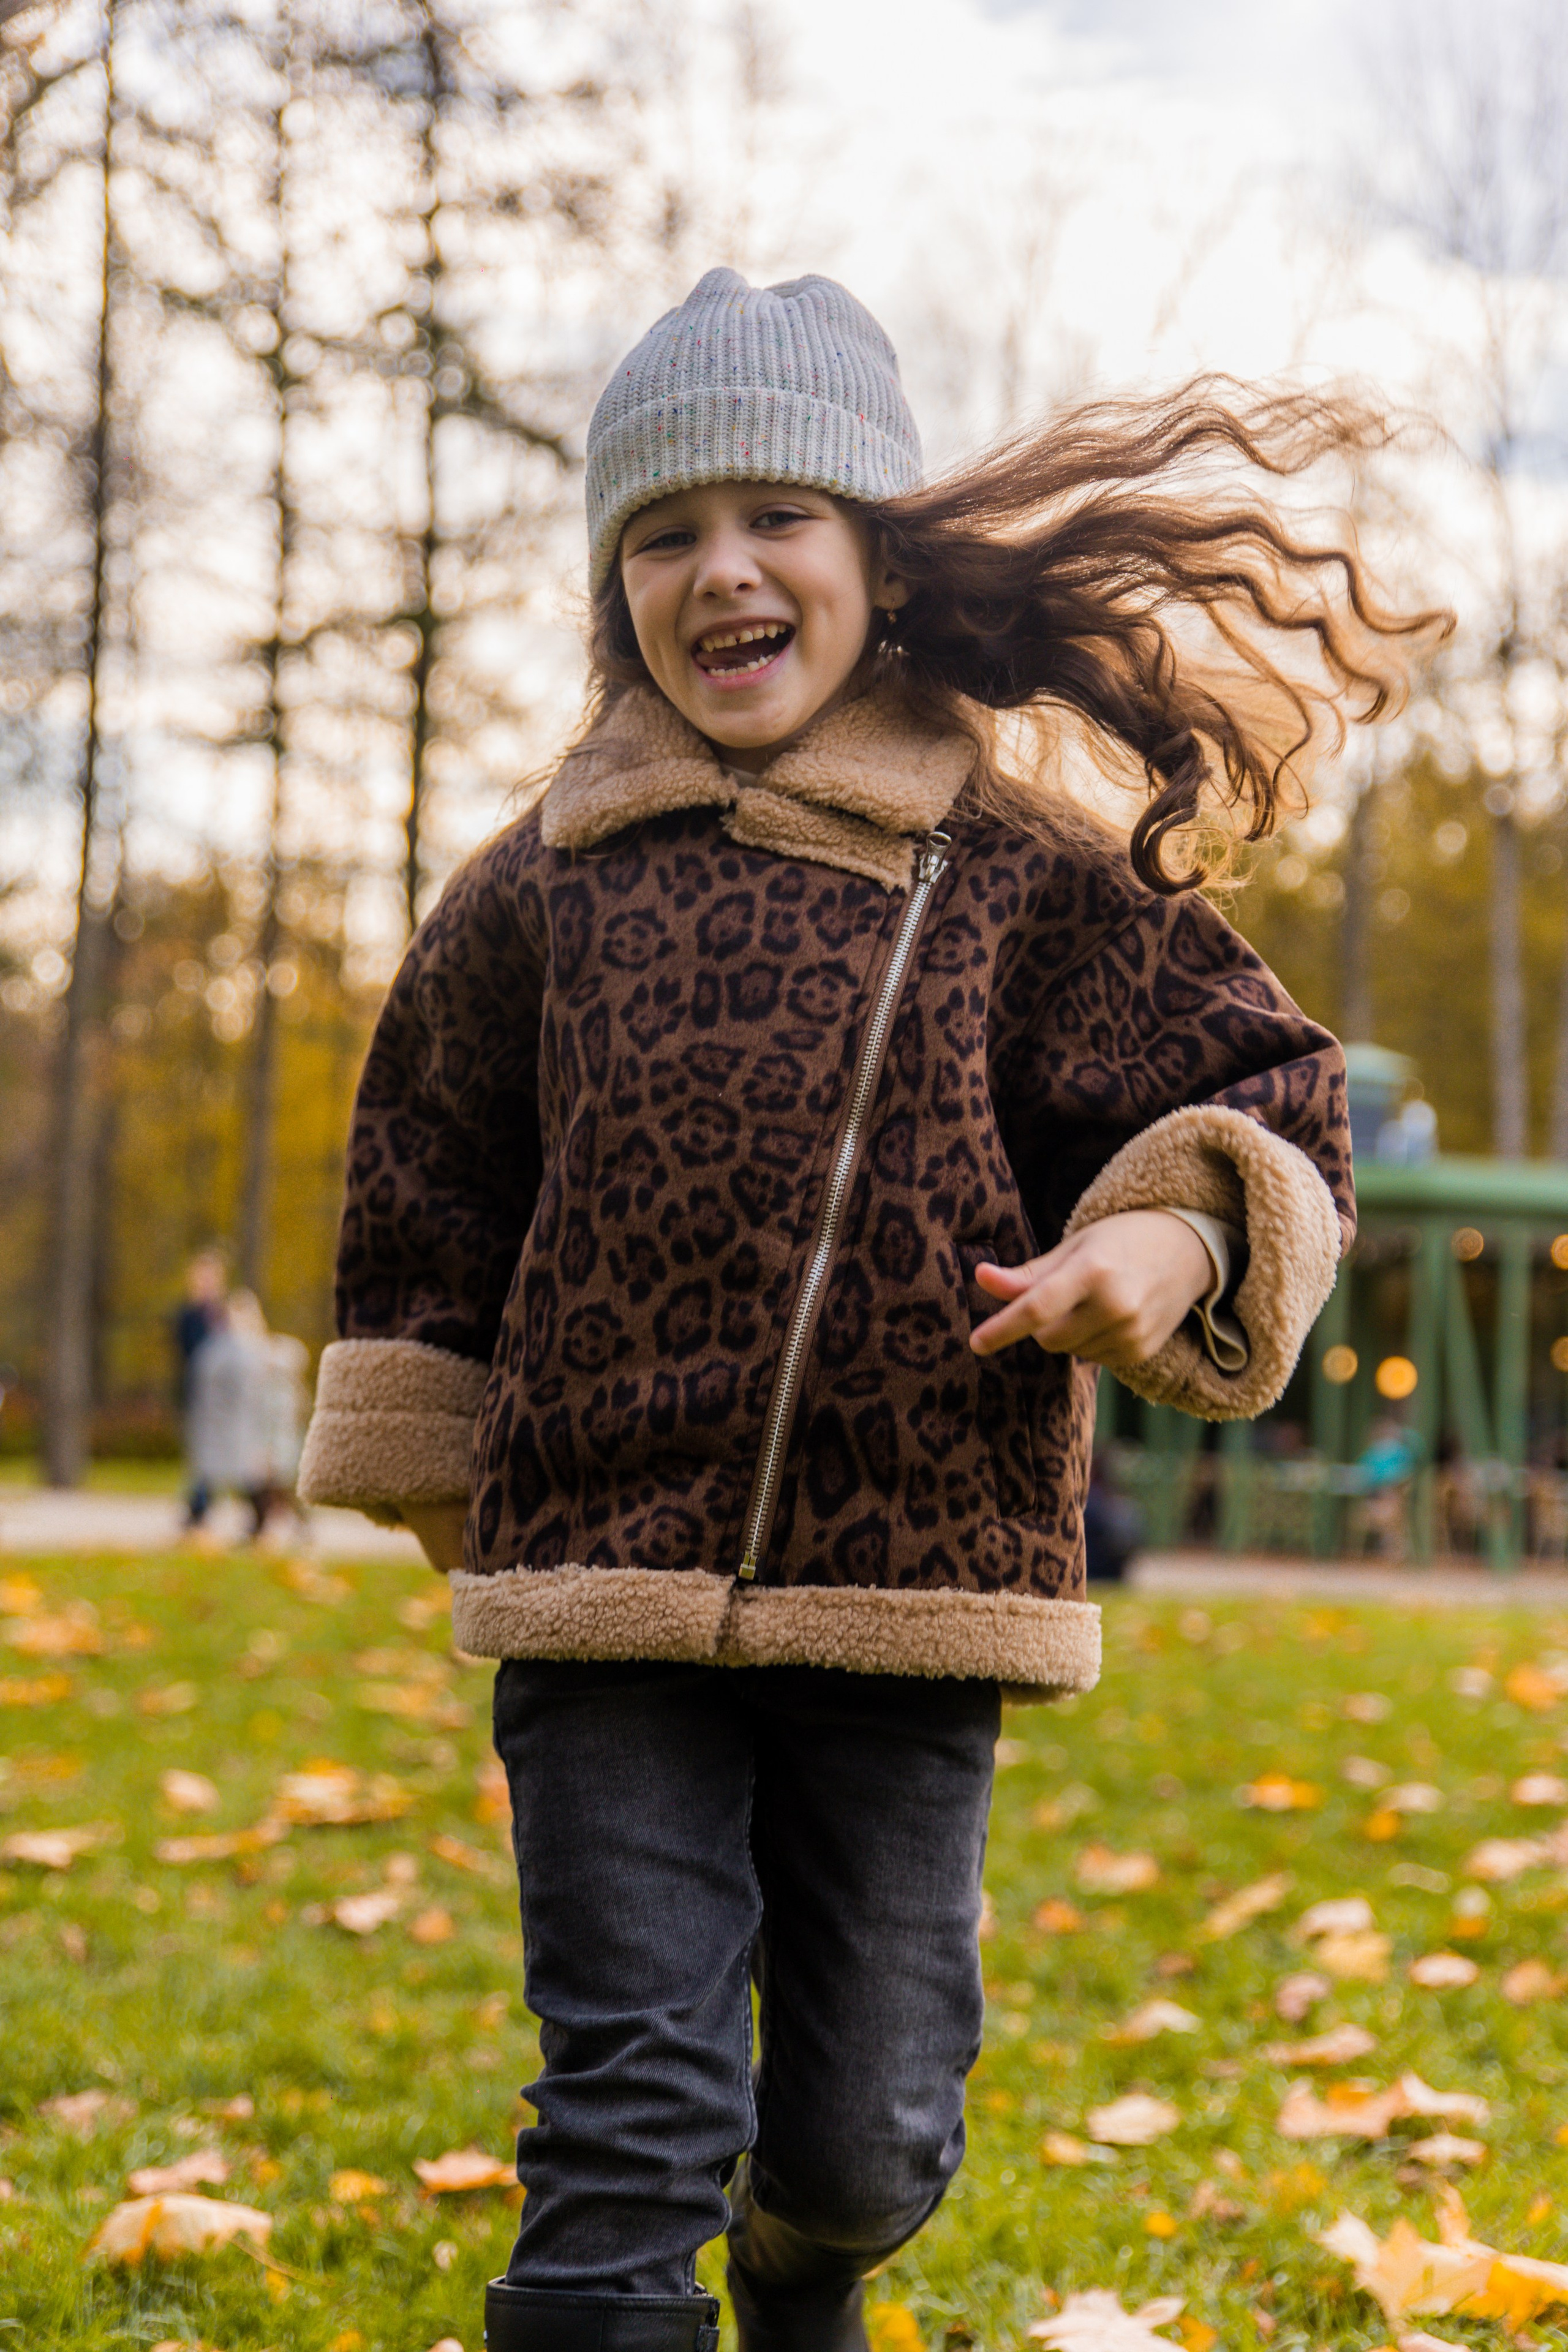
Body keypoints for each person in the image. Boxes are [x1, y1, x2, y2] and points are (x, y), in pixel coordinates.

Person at [296, 271, 1446, 2352]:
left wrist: (1170, 1242)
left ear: (881, 557)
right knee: (630, 2110)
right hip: (602, 1599)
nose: (719, 569)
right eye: (663, 532)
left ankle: (809, 2270)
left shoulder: (1019, 866)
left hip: (913, 1582)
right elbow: (422, 1181)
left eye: (779, 515)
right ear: (613, 587)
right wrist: (452, 1480)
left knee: (865, 2136)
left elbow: (1266, 1090)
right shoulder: (539, 886)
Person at [186, 1289, 271, 1542]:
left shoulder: (242, 1349)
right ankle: (198, 1516)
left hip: (236, 1423)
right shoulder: (226, 1347)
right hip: (225, 1421)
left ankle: (262, 1521)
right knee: (221, 1473)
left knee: (242, 1474)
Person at [173, 1248, 226, 1528]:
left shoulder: (224, 1314)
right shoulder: (188, 1315)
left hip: (223, 1398)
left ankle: (201, 1505)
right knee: (201, 1451)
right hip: (199, 1393)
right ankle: (199, 1504)